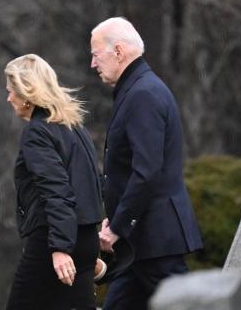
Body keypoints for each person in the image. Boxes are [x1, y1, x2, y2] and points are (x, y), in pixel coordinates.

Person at [90, 17, 203, 309]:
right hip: (142, 241)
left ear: (118, 52)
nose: (92, 64)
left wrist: (117, 225)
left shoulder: (143, 94)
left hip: (155, 240)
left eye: (95, 54)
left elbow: (147, 171)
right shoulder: (138, 89)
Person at [4, 54, 105, 310]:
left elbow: (56, 191)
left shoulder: (38, 132)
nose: (8, 99)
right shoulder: (74, 127)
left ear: (26, 92)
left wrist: (59, 248)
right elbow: (93, 185)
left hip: (54, 241)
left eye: (10, 91)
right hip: (85, 239)